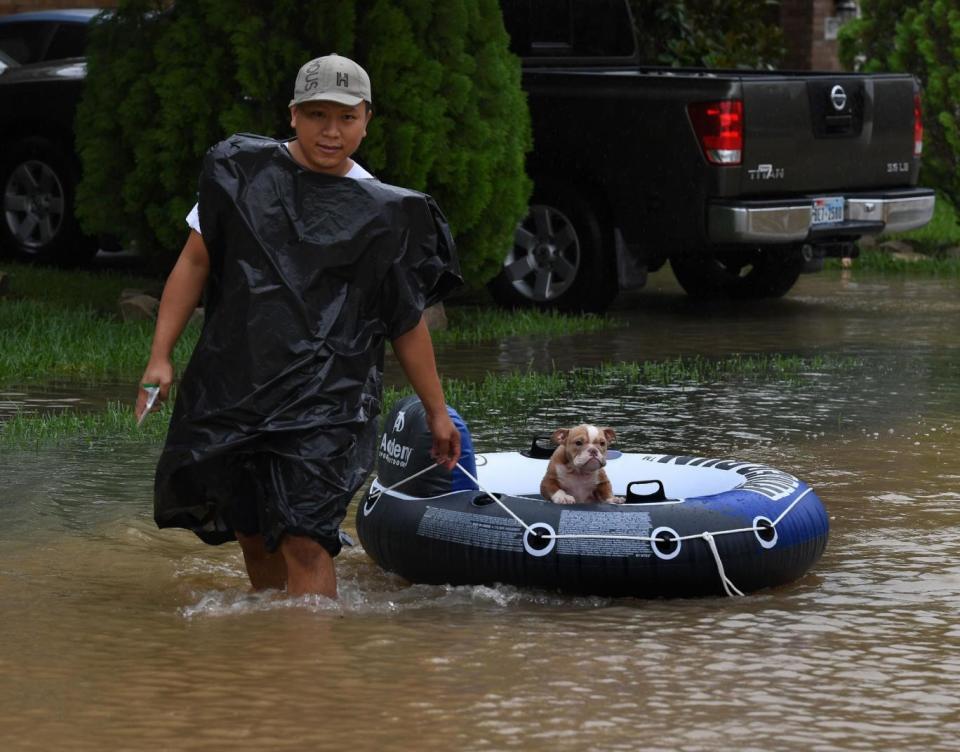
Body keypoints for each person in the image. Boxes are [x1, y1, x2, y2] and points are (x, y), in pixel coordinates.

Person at [136, 53, 462, 599]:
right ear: (292, 114)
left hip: (328, 398)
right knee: (252, 532)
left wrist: (435, 410)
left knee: (305, 539)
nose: (330, 132)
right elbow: (195, 262)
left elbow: (405, 321)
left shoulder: (385, 214)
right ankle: (273, 664)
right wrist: (159, 356)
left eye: (346, 117)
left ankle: (312, 674)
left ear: (366, 120)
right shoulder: (240, 175)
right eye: (316, 115)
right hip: (236, 384)